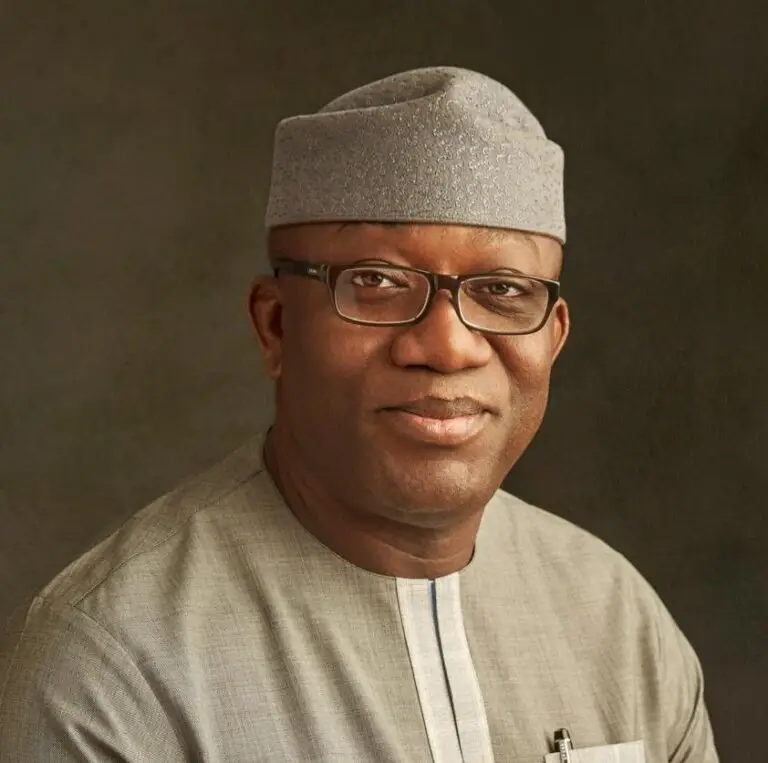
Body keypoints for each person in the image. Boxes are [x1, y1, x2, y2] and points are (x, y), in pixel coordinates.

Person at [0, 67, 718, 762]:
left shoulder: (619, 622)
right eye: (377, 281)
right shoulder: (114, 666)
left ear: (553, 338)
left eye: (502, 290)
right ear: (276, 325)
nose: (448, 345)